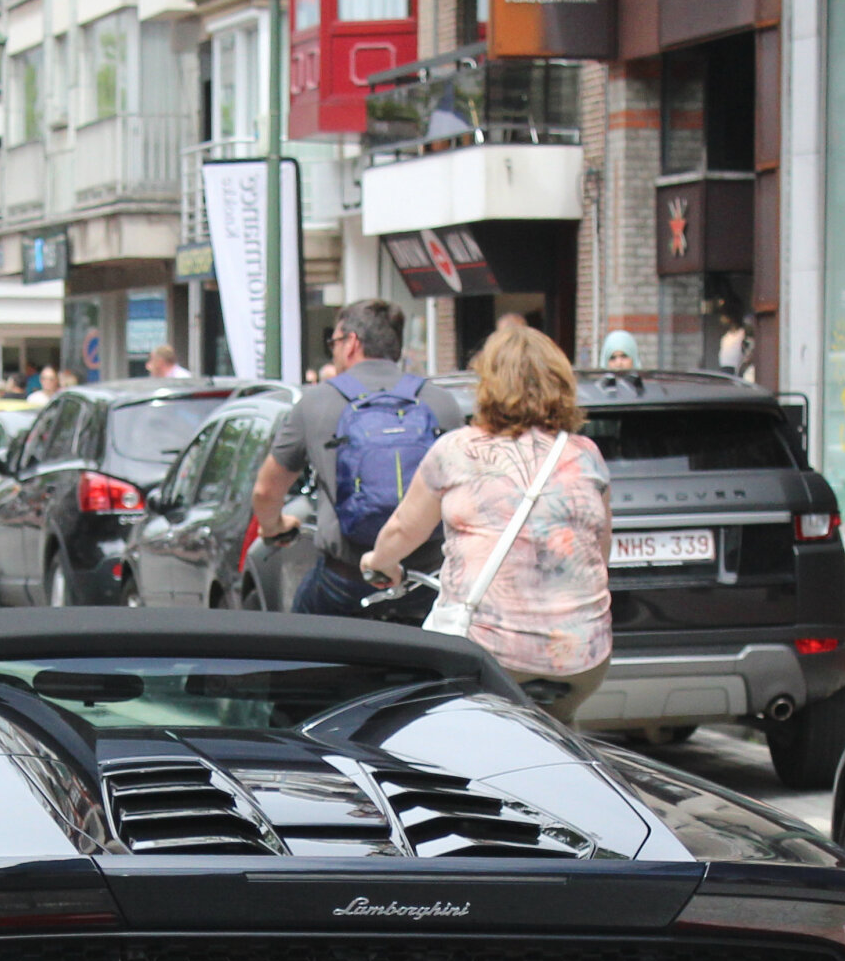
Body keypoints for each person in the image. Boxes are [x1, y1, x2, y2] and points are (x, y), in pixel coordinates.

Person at [359, 324, 613, 726]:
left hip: (490, 652)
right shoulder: (586, 455)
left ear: (488, 384)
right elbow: (600, 553)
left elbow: (404, 530)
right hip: (582, 656)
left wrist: (378, 560)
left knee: (446, 734)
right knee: (560, 735)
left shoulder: (457, 450)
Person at [250, 298, 466, 617]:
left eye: (334, 342)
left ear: (351, 342)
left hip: (346, 584)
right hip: (426, 584)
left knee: (299, 646)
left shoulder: (317, 403)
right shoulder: (442, 402)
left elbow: (266, 492)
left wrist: (274, 528)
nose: (333, 351)